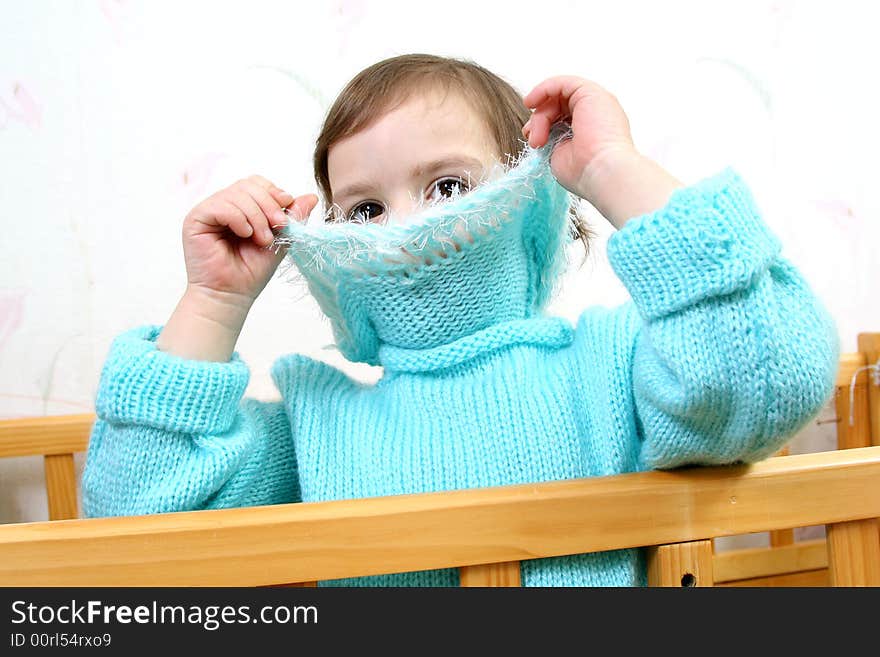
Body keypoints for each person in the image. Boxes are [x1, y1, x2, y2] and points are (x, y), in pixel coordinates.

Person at [82, 53, 839, 586]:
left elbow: (768, 371)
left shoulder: (609, 367)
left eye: (446, 186)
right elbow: (137, 524)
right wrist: (213, 303)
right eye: (367, 208)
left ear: (529, 204)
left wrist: (612, 168)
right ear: (335, 248)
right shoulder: (319, 424)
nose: (404, 226)